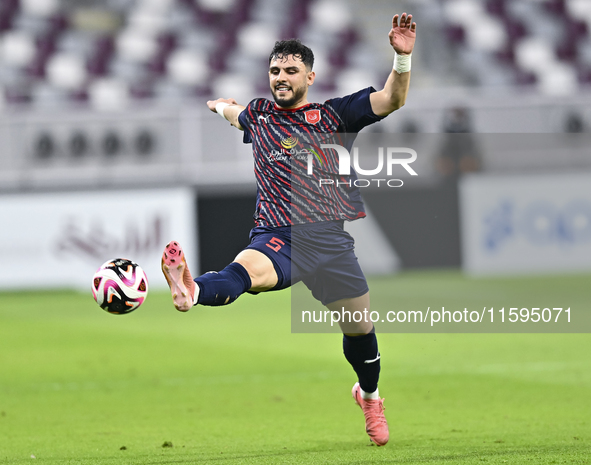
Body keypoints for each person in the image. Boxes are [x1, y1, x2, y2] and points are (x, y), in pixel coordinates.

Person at [162, 13, 417, 446]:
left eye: (290, 71)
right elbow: (238, 113)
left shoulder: (334, 114)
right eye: (275, 70)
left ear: (310, 76)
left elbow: (391, 100)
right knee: (244, 276)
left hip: (332, 244)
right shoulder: (260, 114)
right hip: (279, 236)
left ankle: (369, 396)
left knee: (361, 334)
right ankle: (192, 290)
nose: (281, 77)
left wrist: (401, 59)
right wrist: (221, 107)